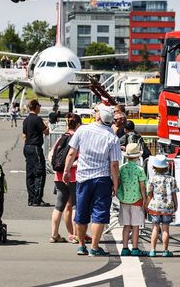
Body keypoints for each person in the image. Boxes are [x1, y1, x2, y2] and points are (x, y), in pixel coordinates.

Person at [63, 105, 122, 256]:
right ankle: (95, 247)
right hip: (102, 178)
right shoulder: (112, 138)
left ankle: (81, 245)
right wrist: (115, 182)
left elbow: (71, 153)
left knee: (82, 211)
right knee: (99, 213)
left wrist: (66, 170)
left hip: (83, 177)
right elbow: (114, 164)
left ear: (98, 117)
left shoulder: (83, 130)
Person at [50, 114, 82, 244]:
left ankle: (54, 234)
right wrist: (70, 167)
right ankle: (75, 235)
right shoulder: (78, 139)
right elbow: (80, 159)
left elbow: (51, 154)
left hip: (58, 176)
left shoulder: (61, 138)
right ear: (78, 125)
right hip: (73, 176)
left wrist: (60, 167)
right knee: (75, 206)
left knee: (59, 206)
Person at [117, 143, 148, 257]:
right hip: (137, 200)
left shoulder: (121, 168)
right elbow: (142, 186)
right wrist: (144, 198)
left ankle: (125, 248)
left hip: (124, 199)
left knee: (126, 225)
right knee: (135, 226)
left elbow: (119, 182)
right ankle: (135, 248)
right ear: (138, 157)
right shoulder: (139, 169)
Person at [145, 155, 178, 257]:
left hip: (155, 206)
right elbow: (174, 194)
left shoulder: (152, 179)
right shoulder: (172, 179)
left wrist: (146, 205)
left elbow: (149, 194)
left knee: (155, 228)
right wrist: (176, 204)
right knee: (165, 229)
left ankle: (152, 250)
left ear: (154, 167)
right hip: (167, 207)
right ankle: (165, 250)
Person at [23, 99, 50, 207]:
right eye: (39, 105)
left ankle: (31, 198)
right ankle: (37, 199)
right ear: (35, 107)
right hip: (35, 147)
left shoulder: (26, 120)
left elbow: (24, 134)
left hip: (27, 146)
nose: (40, 107)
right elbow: (46, 131)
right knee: (39, 173)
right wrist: (46, 124)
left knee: (30, 174)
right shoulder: (37, 119)